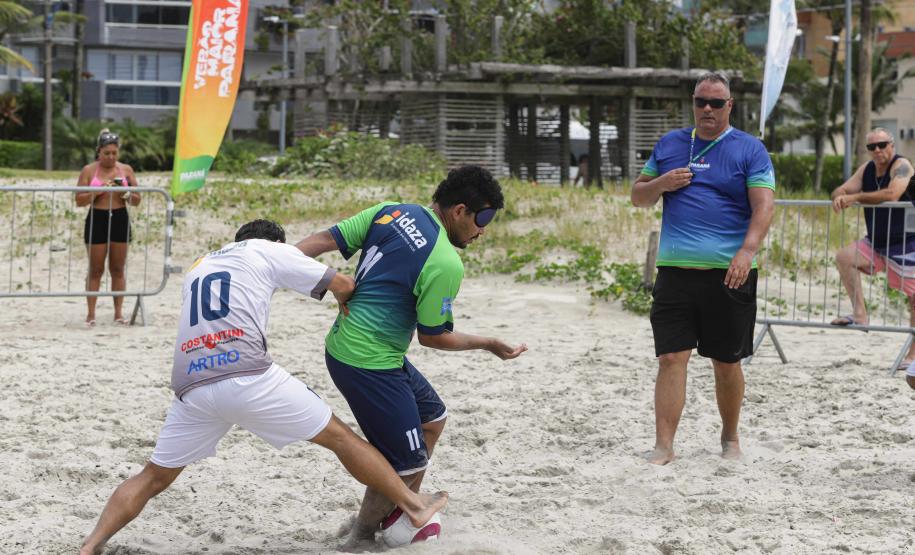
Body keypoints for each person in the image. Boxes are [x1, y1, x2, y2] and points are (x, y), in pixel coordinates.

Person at [79, 219, 448, 555]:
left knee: (153, 476)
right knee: (342, 439)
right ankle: (415, 506)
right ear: (276, 242)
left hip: (191, 383)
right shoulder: (270, 250)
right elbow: (346, 284)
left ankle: (91, 545)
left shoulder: (201, 263)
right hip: (247, 375)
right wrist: (338, 294)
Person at [295, 165, 528, 549]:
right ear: (459, 211)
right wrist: (489, 343)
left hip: (352, 347)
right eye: (482, 219)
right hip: (367, 362)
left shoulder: (392, 211)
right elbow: (434, 337)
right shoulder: (446, 262)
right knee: (407, 462)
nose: (483, 230)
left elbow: (321, 240)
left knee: (432, 419)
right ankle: (362, 536)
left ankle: (393, 512)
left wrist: (272, 265)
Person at [631, 72, 776, 465]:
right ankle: (664, 446)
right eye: (701, 102)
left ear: (730, 105)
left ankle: (730, 438)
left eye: (716, 102)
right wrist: (663, 182)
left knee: (726, 361)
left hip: (729, 271)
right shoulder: (671, 143)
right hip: (676, 270)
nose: (707, 109)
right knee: (670, 358)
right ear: (692, 104)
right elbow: (638, 197)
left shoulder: (750, 149)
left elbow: (764, 206)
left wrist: (747, 251)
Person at [829, 128, 915, 365]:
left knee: (914, 300)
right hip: (877, 243)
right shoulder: (866, 169)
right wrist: (840, 196)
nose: (877, 150)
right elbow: (842, 189)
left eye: (882, 144)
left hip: (908, 244)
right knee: (845, 258)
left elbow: (893, 193)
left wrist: (855, 198)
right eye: (871, 147)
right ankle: (860, 315)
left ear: (892, 145)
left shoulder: (902, 166)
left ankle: (912, 355)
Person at [75, 129, 141, 327]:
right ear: (99, 152)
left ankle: (118, 313)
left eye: (114, 153)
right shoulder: (88, 170)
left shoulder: (126, 170)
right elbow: (78, 200)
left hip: (120, 217)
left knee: (118, 268)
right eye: (107, 153)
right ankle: (91, 314)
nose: (111, 157)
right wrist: (97, 191)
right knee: (96, 269)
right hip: (97, 218)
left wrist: (127, 194)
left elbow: (138, 200)